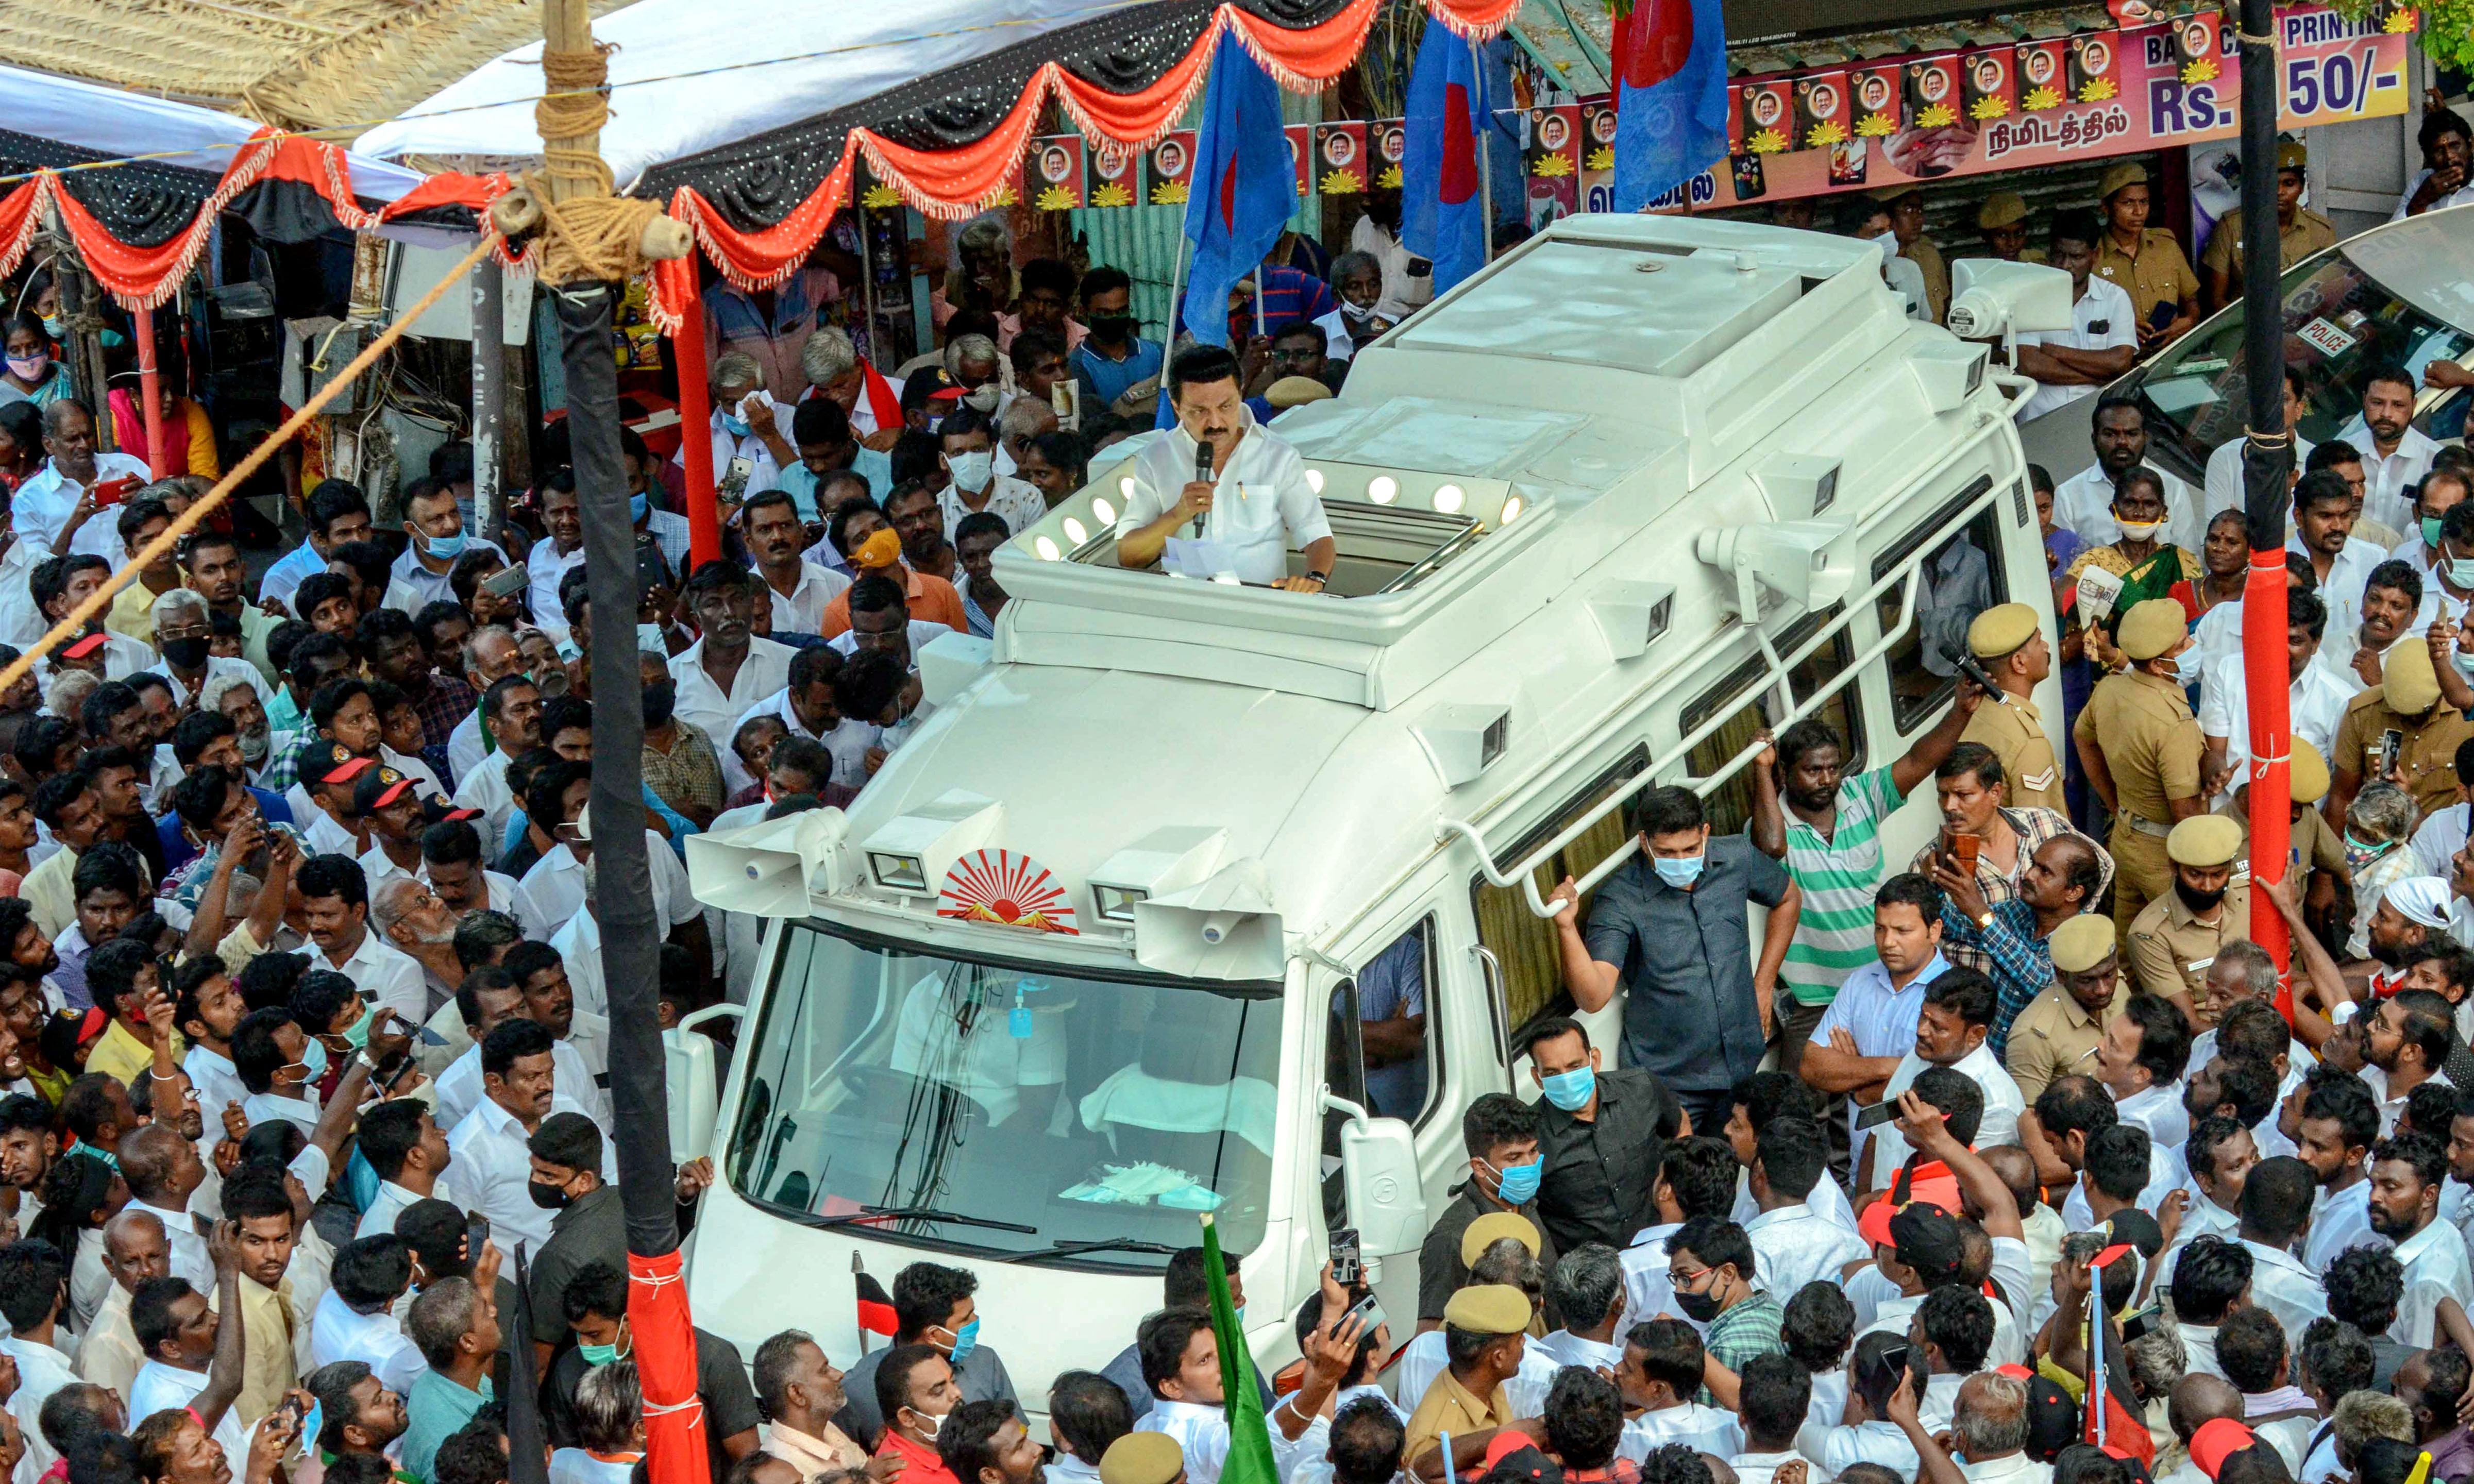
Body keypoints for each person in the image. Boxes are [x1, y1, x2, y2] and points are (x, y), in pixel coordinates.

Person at [1548, 785, 1799, 1132]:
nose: (1681, 861)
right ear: (1644, 843)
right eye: (1666, 853)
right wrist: (1565, 927)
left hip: (1741, 1064)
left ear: (1705, 833)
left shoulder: (1736, 858)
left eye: (1691, 849)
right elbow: (1593, 996)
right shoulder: (1620, 898)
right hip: (1670, 1084)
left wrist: (1764, 983)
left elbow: (1788, 898)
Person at [1750, 694, 1980, 1058]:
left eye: (1833, 768)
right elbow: (1772, 846)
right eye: (1813, 770)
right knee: (1807, 1086)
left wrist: (1961, 710)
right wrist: (1762, 769)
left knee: (1899, 1078)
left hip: (1886, 984)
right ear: (1786, 772)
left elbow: (1919, 760)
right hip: (1816, 1002)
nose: (1827, 780)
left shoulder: (1862, 796)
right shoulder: (1772, 823)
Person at [1114, 345, 1334, 591]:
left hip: (1258, 604)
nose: (1215, 422)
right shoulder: (1156, 458)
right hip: (1185, 604)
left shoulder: (1277, 455)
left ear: (1240, 394)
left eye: (1226, 406)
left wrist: (1315, 578)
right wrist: (1177, 515)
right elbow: (1128, 555)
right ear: (1177, 407)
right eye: (1200, 411)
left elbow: (1317, 536)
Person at [2075, 599, 2208, 932]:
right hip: (2164, 855)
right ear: (2158, 665)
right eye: (2183, 645)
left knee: (2127, 940)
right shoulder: (2172, 722)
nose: (2193, 645)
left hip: (2126, 836)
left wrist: (2114, 804)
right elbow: (2185, 814)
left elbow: (2083, 738)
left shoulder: (2110, 688)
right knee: (2187, 941)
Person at [1523, 1017, 1682, 1253]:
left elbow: (1679, 1129)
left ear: (1594, 1060)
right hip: (1590, 1267)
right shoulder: (1529, 1137)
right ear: (1538, 1077)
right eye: (1552, 1073)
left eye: (1574, 1066)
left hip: (1659, 1247)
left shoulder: (1640, 1089)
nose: (1566, 1080)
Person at [838, 1261, 1021, 1448]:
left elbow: (1019, 1434)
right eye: (966, 1319)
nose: (975, 1321)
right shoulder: (857, 1390)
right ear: (933, 1335)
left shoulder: (985, 1362)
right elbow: (842, 1457)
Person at [1417, 1100, 1557, 1328]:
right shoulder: (1453, 1237)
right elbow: (1430, 1333)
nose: (1530, 1165)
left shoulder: (1527, 1204)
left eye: (1533, 1151)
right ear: (1480, 1167)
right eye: (1514, 1158)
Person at [2330, 636, 2474, 823]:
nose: (2413, 719)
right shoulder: (2363, 712)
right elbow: (2342, 796)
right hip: (2377, 833)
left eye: (2422, 712)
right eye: (2402, 713)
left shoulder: (2466, 716)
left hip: (2445, 837)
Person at [2010, 211, 2138, 423]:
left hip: (2095, 421)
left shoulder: (2115, 298)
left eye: (2076, 257)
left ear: (2095, 256)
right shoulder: (2029, 297)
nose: (2065, 265)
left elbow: (2119, 363)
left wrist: (2055, 351)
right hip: (2039, 422)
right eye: (2059, 255)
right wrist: (2099, 376)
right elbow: (2030, 365)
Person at [1399, 1284, 1536, 1481]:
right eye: (1519, 1339)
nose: (1524, 1343)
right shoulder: (1434, 1441)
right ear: (1498, 1357)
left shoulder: (1484, 1383)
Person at [2125, 816, 2251, 1013]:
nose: (2208, 887)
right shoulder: (2150, 934)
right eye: (2195, 875)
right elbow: (2187, 1021)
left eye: (2218, 875)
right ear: (2174, 867)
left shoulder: (2250, 898)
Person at [2005, 916, 2128, 1109]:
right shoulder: (2034, 1036)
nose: (2103, 990)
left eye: (2109, 974)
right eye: (2087, 980)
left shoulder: (2120, 988)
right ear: (2061, 975)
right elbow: (2030, 1117)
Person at [2201, 140, 2337, 310]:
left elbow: (2330, 293)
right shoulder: (2232, 226)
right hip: (2245, 321)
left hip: (2300, 320)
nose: (2279, 192)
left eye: (2289, 184)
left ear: (2302, 188)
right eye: (2271, 183)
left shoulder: (2322, 231)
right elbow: (2217, 301)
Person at [2056, 399, 2202, 557]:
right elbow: (2062, 562)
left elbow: (2190, 558)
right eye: (2110, 434)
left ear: (2145, 438)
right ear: (2094, 439)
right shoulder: (2069, 495)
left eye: (2132, 434)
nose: (2122, 442)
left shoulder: (2172, 487)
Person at [1959, 606, 2064, 813]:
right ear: (2019, 663)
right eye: (2039, 642)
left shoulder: (1971, 712)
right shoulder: (2028, 744)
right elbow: (2035, 827)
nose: (2046, 646)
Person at [400, 1272, 499, 1483]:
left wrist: (486, 1289)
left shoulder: (446, 1377)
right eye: (485, 1313)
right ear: (468, 1343)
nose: (493, 1311)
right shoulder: (450, 1445)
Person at [2091, 161, 2199, 353]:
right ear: (2106, 207)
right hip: (2121, 362)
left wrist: (2189, 320)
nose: (2139, 212)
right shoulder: (2092, 258)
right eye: (2128, 203)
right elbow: (2078, 321)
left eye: (2144, 202)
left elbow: (2191, 300)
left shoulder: (2166, 246)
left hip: (2171, 357)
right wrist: (2120, 328)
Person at [2340, 366, 2443, 537]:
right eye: (2377, 403)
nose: (2386, 414)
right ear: (2364, 400)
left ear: (2414, 405)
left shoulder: (2435, 462)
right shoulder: (2339, 454)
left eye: (2398, 405)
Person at [752, 1329, 870, 1474]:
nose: (839, 1374)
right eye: (824, 1371)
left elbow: (866, 1466)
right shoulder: (785, 1471)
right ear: (797, 1393)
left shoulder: (824, 1428)